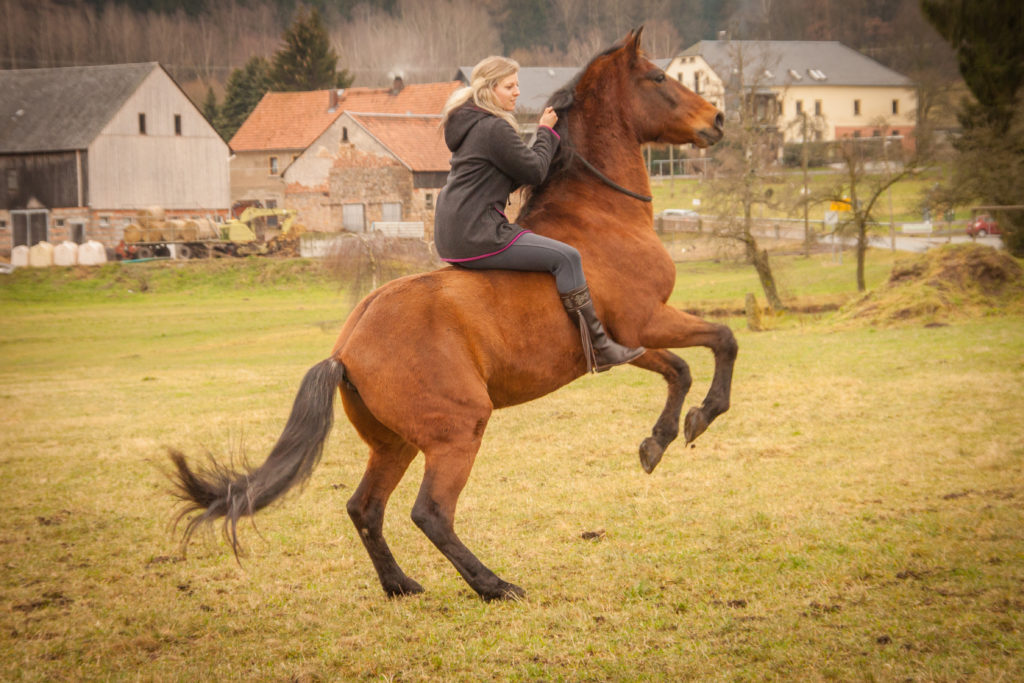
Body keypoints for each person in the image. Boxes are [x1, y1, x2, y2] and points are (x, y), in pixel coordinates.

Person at [434, 56, 644, 373]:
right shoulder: (493, 129)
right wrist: (545, 132)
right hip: (479, 234)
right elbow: (533, 172)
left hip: (452, 234)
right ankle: (601, 347)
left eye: (517, 84)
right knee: (567, 257)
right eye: (509, 86)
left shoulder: (472, 125)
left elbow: (513, 172)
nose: (517, 92)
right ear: (490, 89)